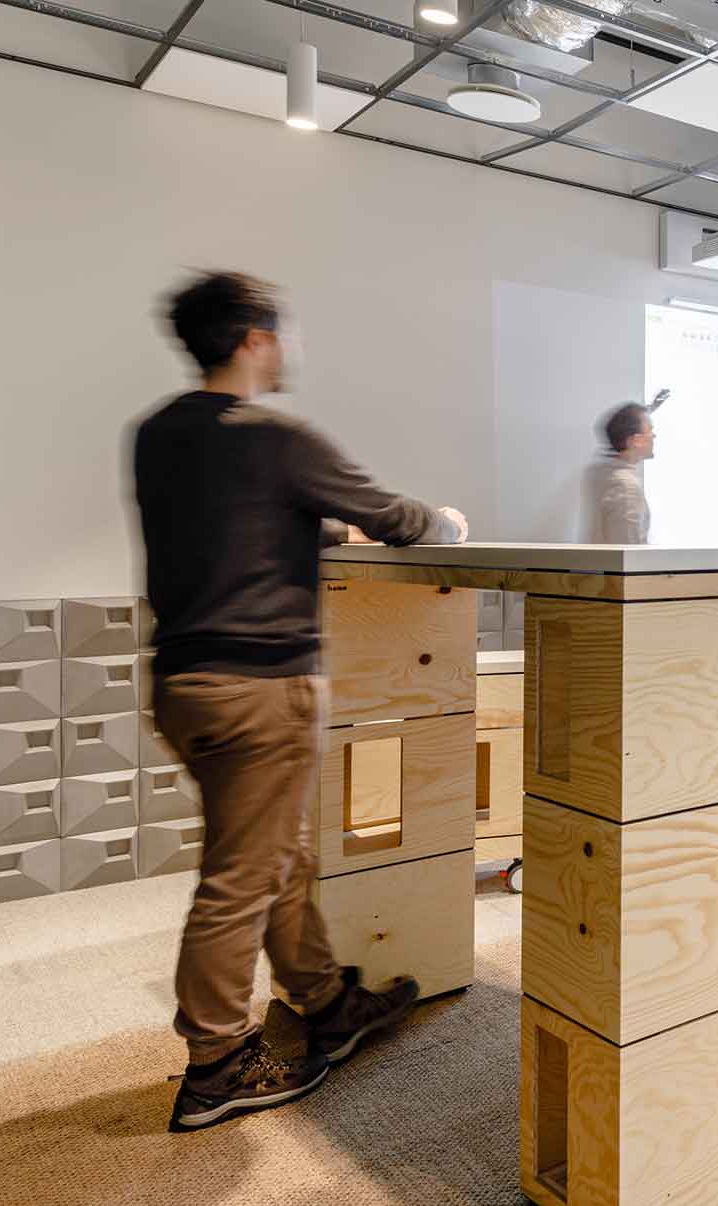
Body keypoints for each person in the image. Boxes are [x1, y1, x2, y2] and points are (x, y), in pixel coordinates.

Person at [132, 272, 467, 1133]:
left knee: (278, 855)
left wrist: (322, 530)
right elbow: (399, 518)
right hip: (260, 688)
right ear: (253, 338)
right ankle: (216, 1063)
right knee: (242, 876)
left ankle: (322, 1002)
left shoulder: (160, 436)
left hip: (184, 683)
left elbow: (233, 524)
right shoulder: (280, 439)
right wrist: (448, 523)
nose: (289, 348)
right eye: (281, 333)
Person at [587, 400, 654, 544]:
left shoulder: (600, 473)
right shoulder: (625, 486)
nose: (654, 436)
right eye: (650, 430)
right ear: (635, 440)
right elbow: (628, 550)